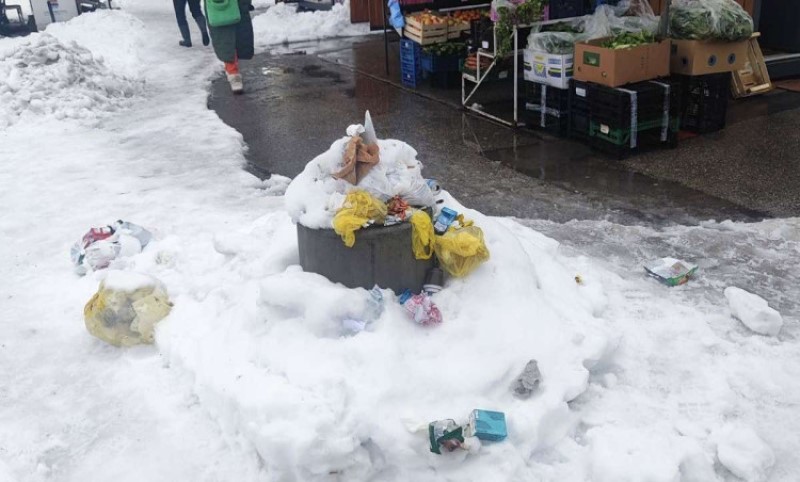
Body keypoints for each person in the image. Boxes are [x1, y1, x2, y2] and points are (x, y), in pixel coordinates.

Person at [208, 0, 254, 95]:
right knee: (225, 39)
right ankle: (233, 73)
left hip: (239, 6)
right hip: (219, 7)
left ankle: (233, 71)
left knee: (239, 38)